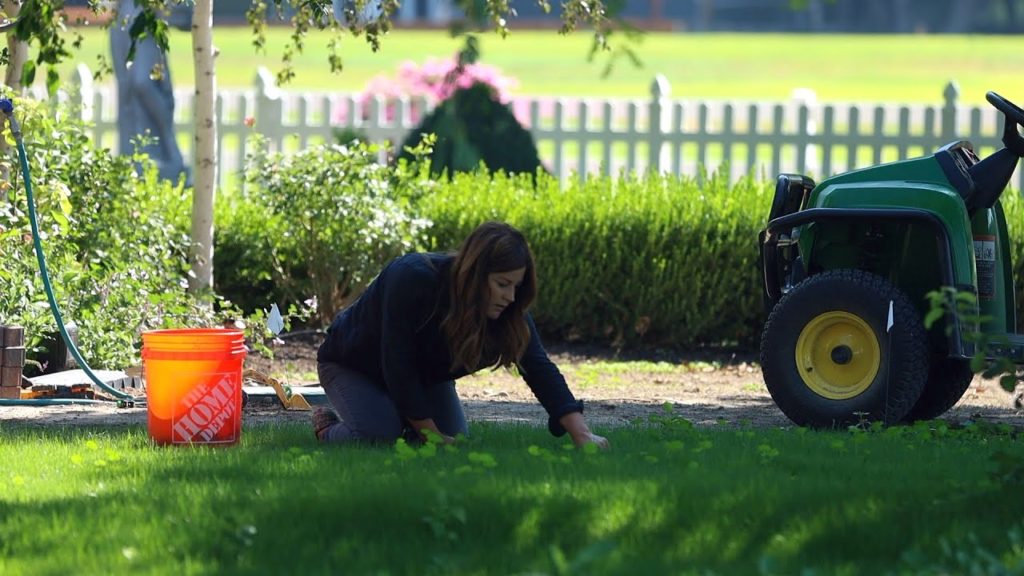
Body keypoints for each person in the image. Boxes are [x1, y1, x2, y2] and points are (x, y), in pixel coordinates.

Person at [313, 221, 609, 449]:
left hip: (422, 378)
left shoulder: (509, 313)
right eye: (502, 284)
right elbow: (396, 362)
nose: (510, 296)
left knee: (453, 439)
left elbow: (540, 369)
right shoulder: (412, 278)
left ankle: (396, 416)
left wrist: (583, 435)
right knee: (380, 435)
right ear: (476, 273)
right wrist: (430, 434)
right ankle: (328, 427)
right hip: (352, 364)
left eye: (516, 286)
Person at [110, 0, 192, 184]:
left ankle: (167, 149)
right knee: (131, 90)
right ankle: (146, 155)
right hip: (127, 21)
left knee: (143, 86)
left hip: (140, 21)